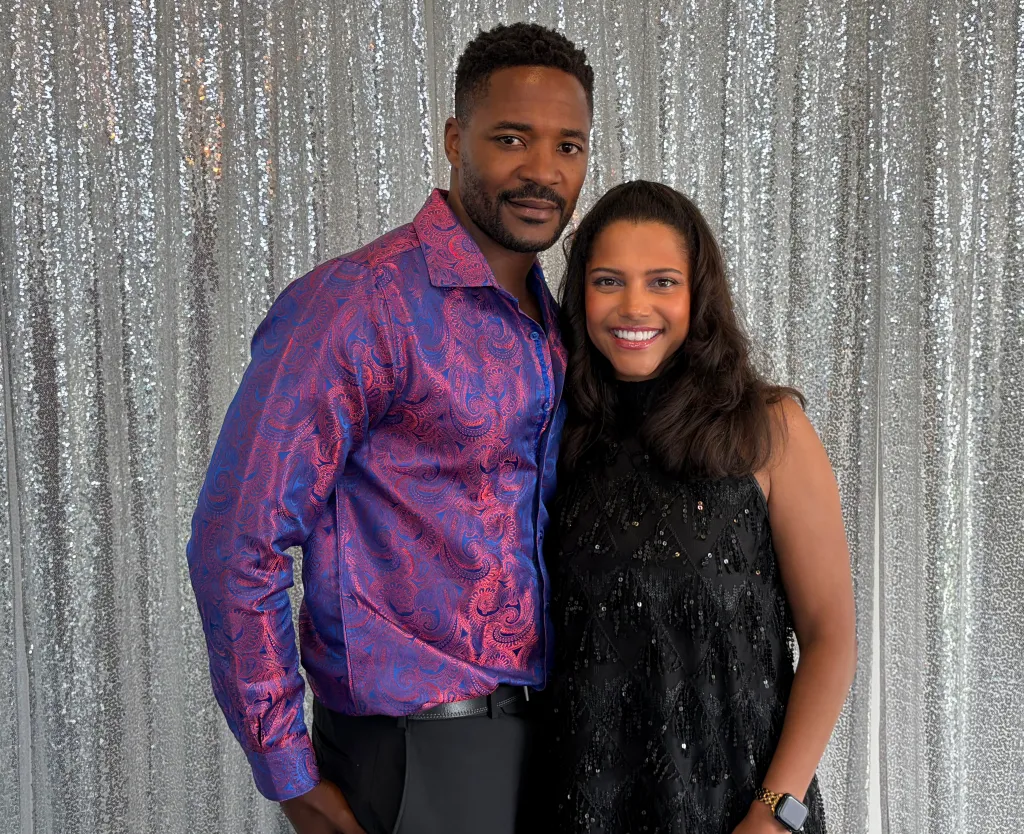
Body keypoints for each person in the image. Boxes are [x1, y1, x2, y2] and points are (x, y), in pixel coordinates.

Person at [186, 23, 593, 834]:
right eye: (511, 138)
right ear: (455, 139)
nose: (543, 171)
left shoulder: (556, 324)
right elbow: (237, 538)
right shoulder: (358, 304)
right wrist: (285, 765)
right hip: (418, 750)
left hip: (541, 736)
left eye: (568, 146)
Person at [536, 181, 857, 834]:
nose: (634, 306)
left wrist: (775, 814)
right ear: (579, 294)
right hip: (580, 809)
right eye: (608, 281)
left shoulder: (770, 429)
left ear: (697, 294)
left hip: (743, 812)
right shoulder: (553, 435)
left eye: (662, 282)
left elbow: (831, 637)